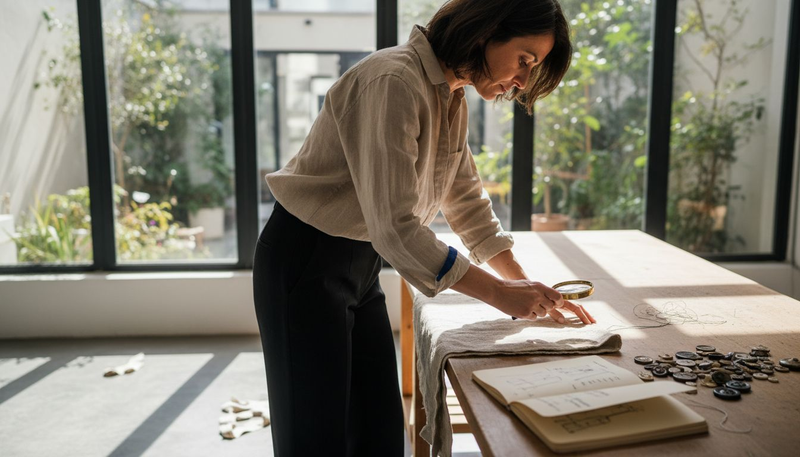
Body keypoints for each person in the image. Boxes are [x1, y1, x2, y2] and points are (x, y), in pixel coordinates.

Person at [252, 0, 594, 455]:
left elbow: (466, 200)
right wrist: (499, 294)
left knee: (379, 433)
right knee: (314, 440)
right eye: (525, 61)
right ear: (486, 31)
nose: (523, 81)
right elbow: (395, 228)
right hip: (304, 263)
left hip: (360, 266)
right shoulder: (394, 80)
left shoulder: (449, 93)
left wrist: (524, 288)